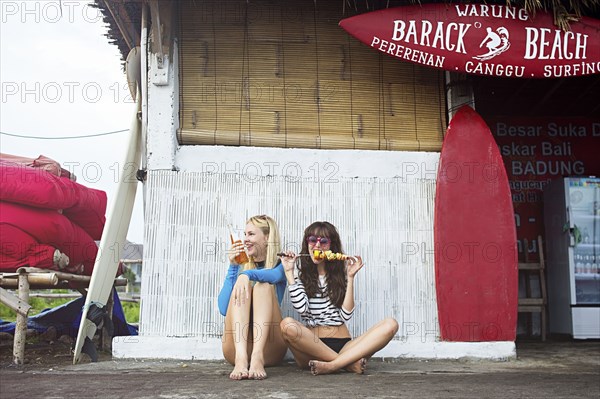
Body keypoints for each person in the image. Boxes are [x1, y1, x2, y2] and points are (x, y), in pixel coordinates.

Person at [279, 221, 398, 375]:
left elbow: (346, 315)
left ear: (331, 246)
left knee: (390, 324)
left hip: (344, 344)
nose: (317, 245)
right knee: (287, 325)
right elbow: (302, 309)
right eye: (313, 240)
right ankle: (346, 364)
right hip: (312, 348)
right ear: (306, 243)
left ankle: (333, 365)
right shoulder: (299, 278)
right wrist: (289, 272)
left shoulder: (341, 276)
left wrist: (350, 277)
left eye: (324, 241)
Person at [217, 215, 287, 380]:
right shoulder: (241, 267)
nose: (245, 240)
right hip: (235, 350)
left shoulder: (282, 265)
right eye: (245, 234)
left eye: (251, 234)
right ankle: (241, 359)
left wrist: (246, 274)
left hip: (269, 349)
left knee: (263, 286)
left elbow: (272, 276)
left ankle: (257, 357)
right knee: (244, 286)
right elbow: (223, 308)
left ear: (267, 237)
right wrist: (234, 268)